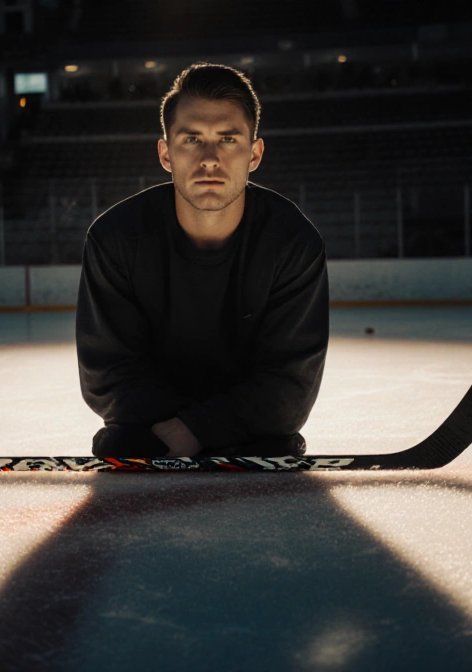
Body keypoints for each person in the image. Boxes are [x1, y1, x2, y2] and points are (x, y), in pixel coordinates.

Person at [75, 62, 329, 459]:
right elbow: (106, 375)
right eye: (192, 139)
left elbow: (290, 387)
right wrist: (191, 429)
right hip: (152, 429)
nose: (210, 158)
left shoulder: (293, 242)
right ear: (165, 153)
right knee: (123, 442)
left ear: (255, 153)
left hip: (251, 432)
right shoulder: (115, 239)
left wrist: (196, 430)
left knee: (273, 444)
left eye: (228, 139)